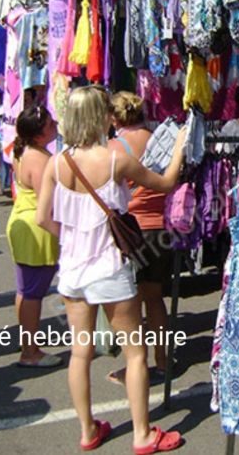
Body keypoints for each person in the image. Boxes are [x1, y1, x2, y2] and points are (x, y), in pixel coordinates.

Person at [36, 85, 186, 453]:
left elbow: (43, 218)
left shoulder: (56, 163)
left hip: (72, 270)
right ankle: (142, 433)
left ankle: (88, 430)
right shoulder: (115, 159)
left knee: (80, 352)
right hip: (110, 267)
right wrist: (180, 146)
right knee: (135, 352)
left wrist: (74, 237)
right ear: (101, 116)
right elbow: (166, 183)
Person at [105, 92, 175, 386]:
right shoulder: (159, 139)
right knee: (156, 298)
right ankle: (162, 361)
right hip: (161, 227)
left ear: (114, 118)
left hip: (130, 232)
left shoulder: (112, 148)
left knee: (130, 304)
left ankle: (137, 367)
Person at [6, 105, 62, 367]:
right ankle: (30, 351)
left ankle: (27, 342)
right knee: (33, 292)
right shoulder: (40, 158)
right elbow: (47, 203)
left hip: (22, 222)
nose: (55, 126)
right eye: (50, 124)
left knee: (25, 289)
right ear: (39, 134)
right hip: (35, 229)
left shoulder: (25, 151)